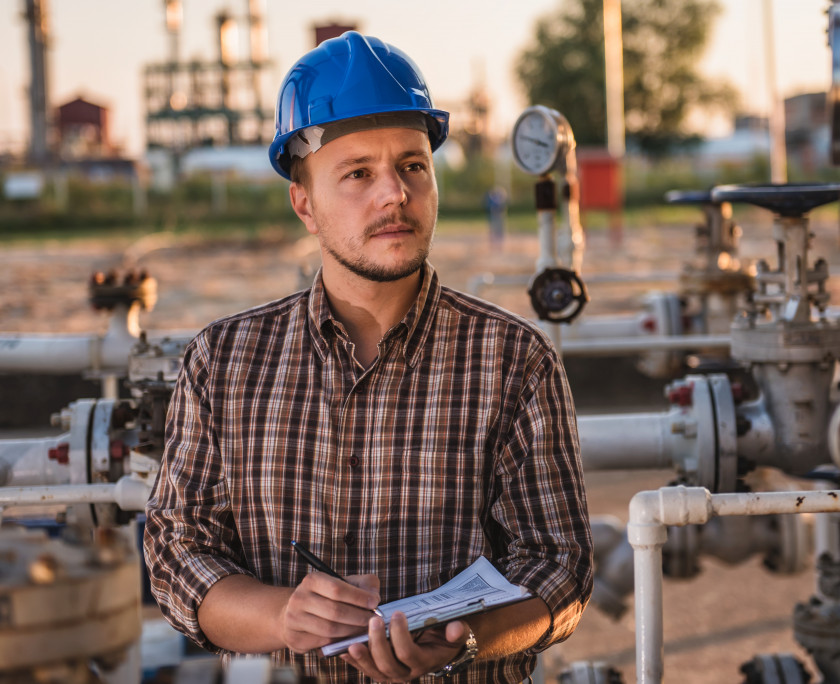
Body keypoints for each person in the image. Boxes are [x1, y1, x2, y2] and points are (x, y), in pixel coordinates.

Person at [144, 30, 593, 683]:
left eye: (412, 166)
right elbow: (178, 553)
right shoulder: (224, 361)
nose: (395, 195)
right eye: (358, 173)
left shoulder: (512, 358)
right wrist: (281, 617)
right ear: (305, 203)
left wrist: (460, 644)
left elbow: (559, 569)